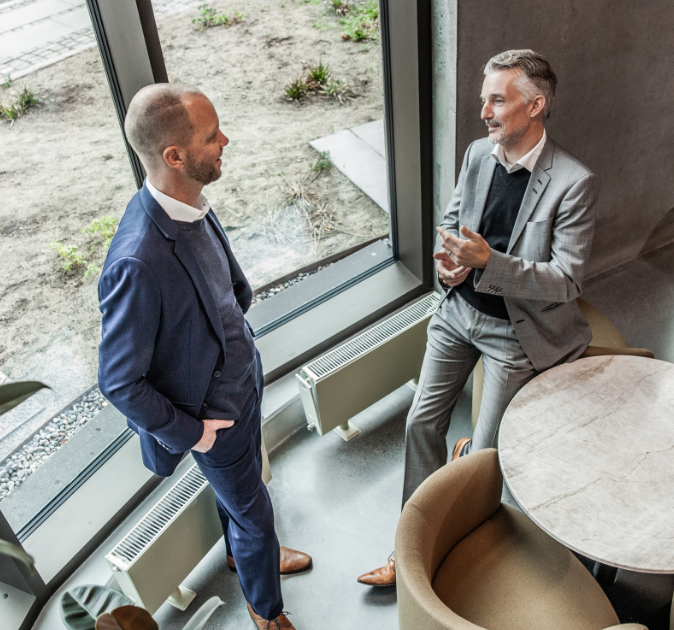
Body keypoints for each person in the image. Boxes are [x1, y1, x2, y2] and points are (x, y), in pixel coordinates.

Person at [357, 49, 598, 586]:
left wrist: (491, 264)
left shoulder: (574, 183)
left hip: (515, 334)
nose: (485, 112)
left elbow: (567, 281)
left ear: (535, 105)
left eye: (497, 100)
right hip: (456, 313)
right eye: (483, 99)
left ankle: (461, 538)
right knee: (421, 422)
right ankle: (410, 548)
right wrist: (449, 264)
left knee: (488, 456)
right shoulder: (477, 154)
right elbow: (452, 220)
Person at [98, 83, 310, 630]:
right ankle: (267, 613)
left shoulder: (187, 201)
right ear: (175, 156)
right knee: (253, 507)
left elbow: (222, 288)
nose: (226, 141)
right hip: (214, 413)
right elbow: (120, 382)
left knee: (244, 499)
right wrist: (193, 433)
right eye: (212, 136)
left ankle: (244, 555)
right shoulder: (136, 261)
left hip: (242, 378)